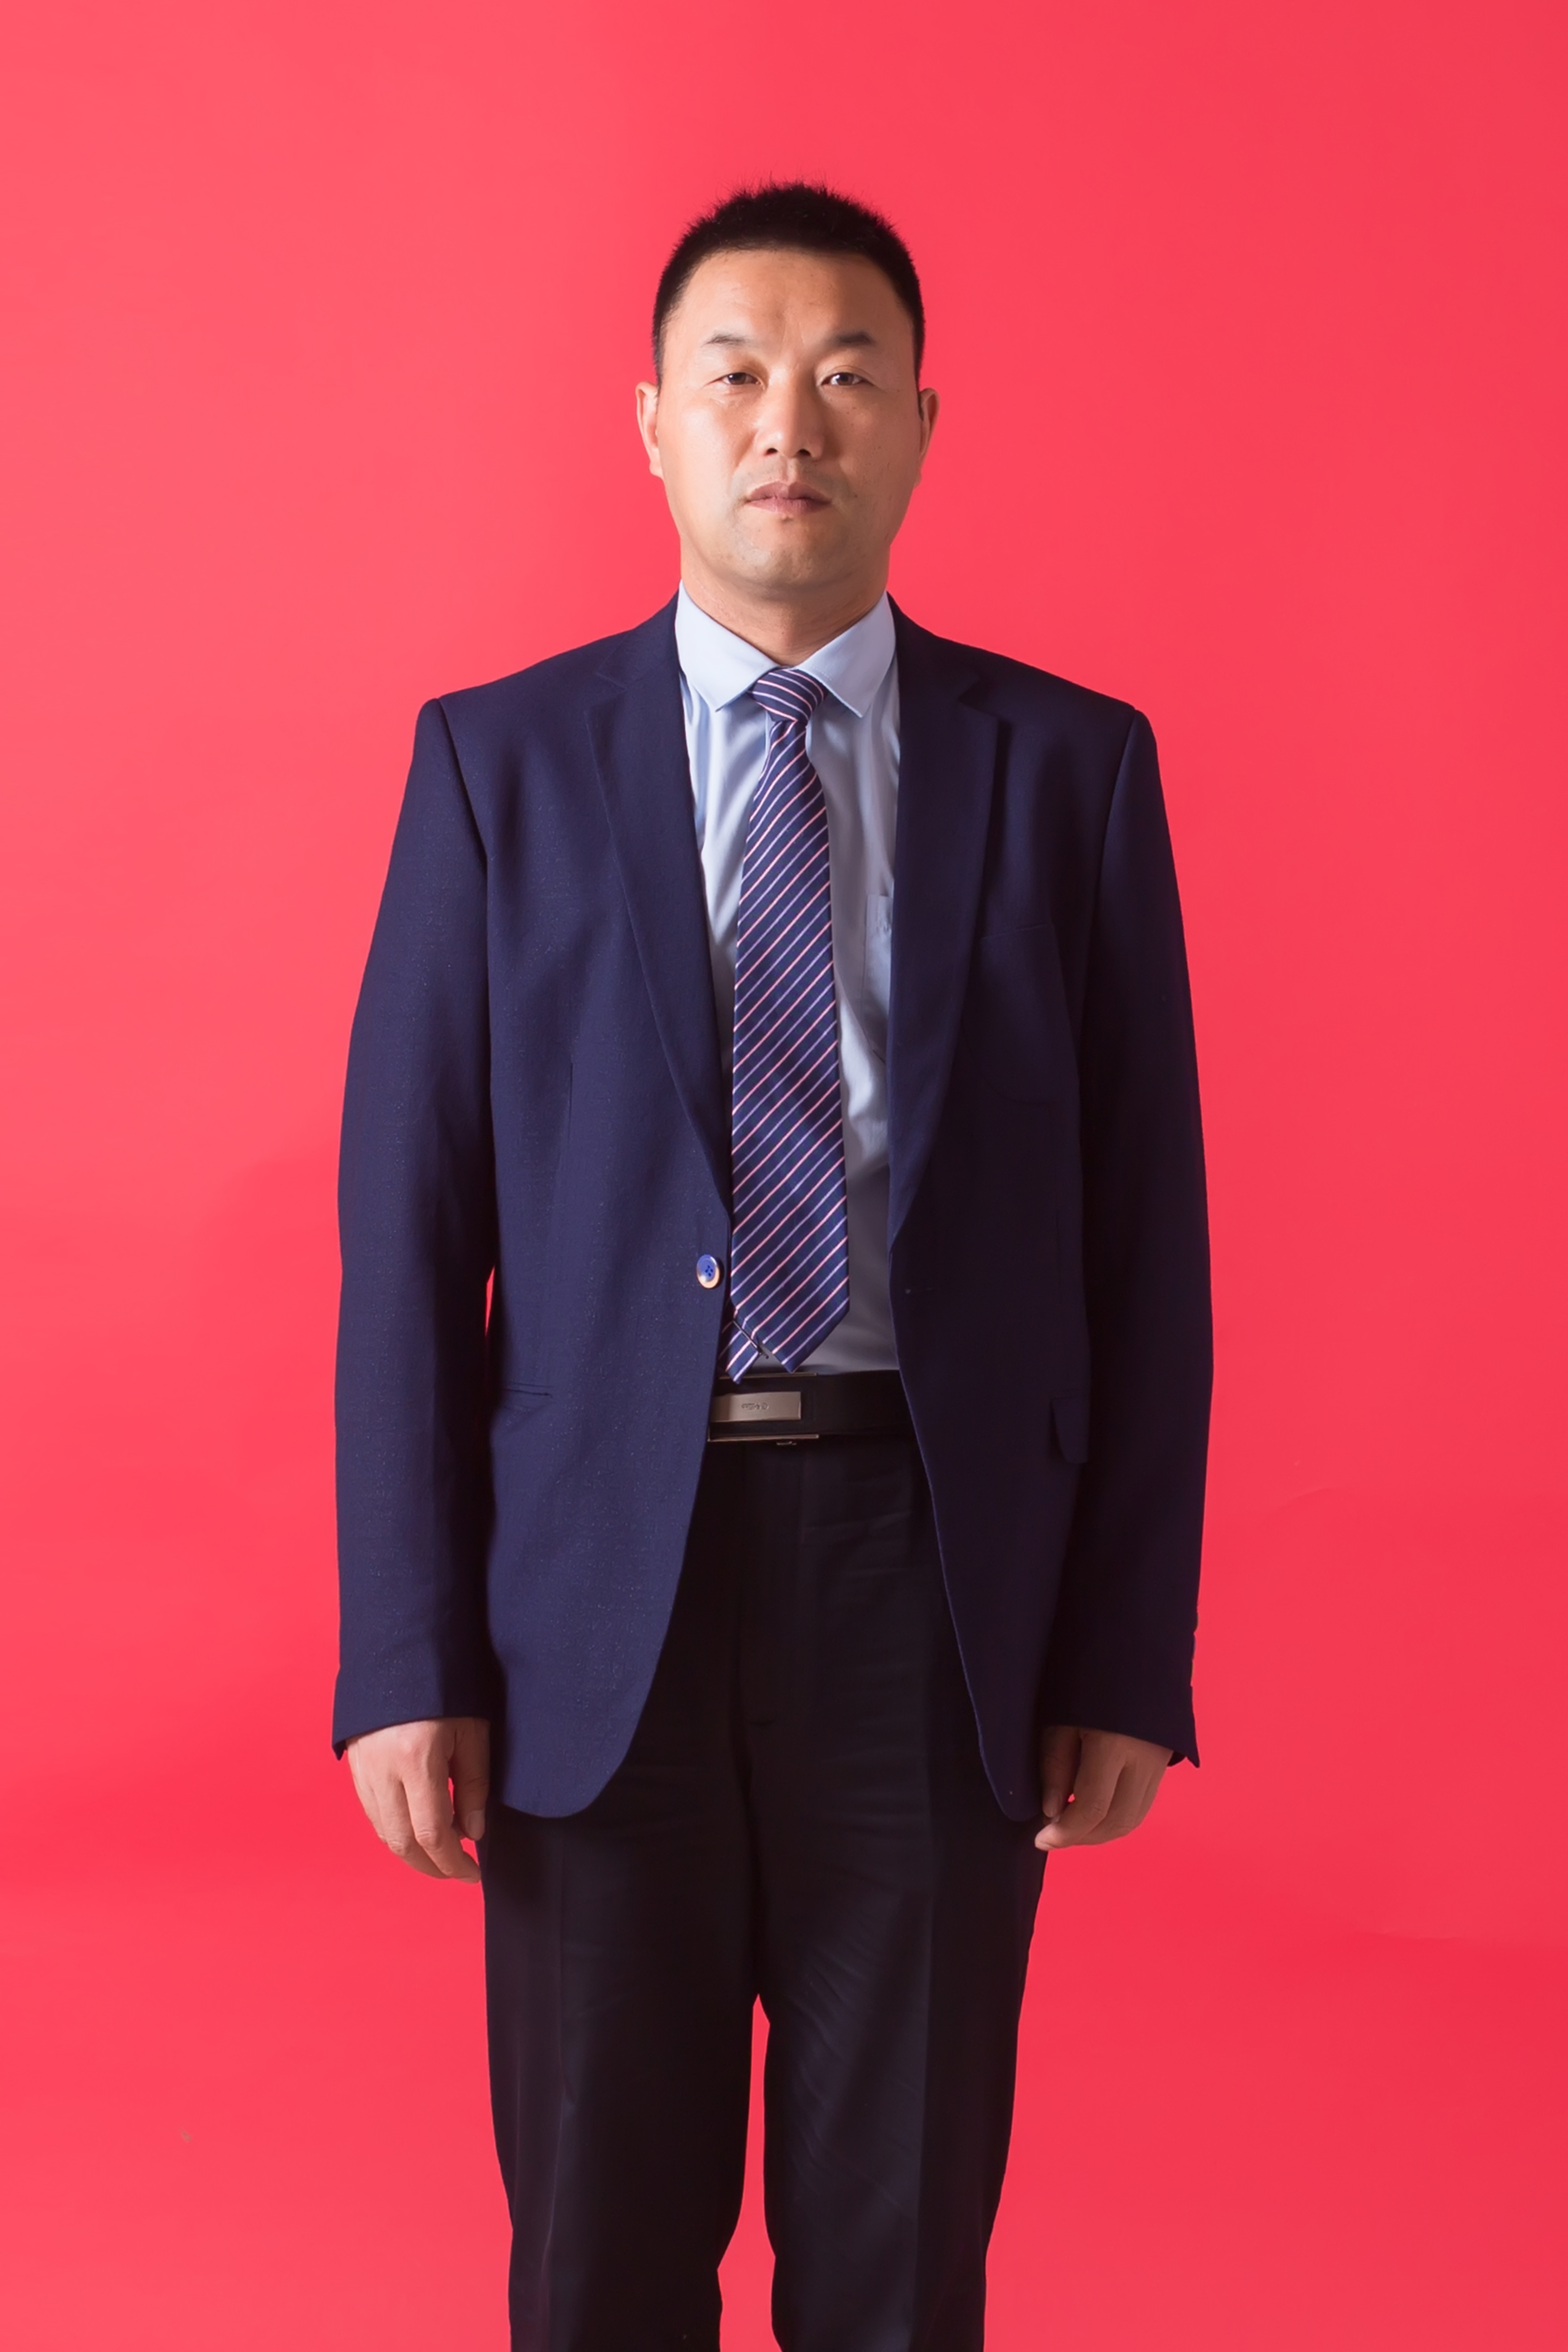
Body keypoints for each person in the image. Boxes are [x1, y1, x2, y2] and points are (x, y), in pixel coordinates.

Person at [334, 182, 1211, 2351]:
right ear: (653, 424)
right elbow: (408, 1235)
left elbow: (1146, 1240)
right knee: (598, 2262)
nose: (784, 423)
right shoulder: (497, 765)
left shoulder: (1070, 770)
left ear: (920, 423)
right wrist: (407, 1645)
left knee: (897, 2265)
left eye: (842, 376)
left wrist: (1122, 1644)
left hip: (931, 1581)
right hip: (592, 1601)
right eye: (732, 374)